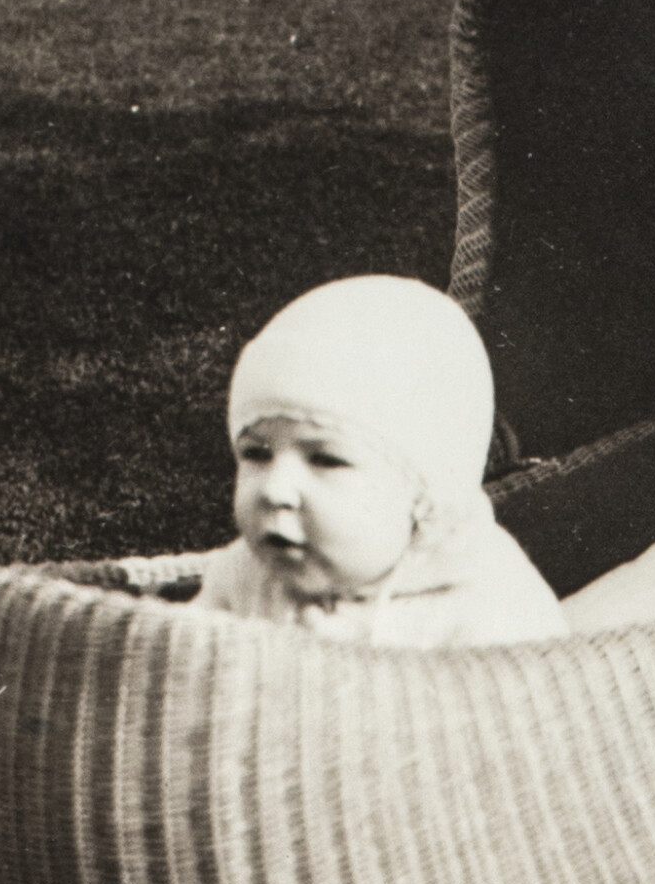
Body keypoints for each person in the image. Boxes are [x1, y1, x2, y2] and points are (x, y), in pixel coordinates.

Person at [195, 275, 567, 646]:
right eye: (256, 453)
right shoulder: (241, 576)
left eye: (326, 459)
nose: (275, 489)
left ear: (424, 498)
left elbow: (538, 696)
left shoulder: (486, 609)